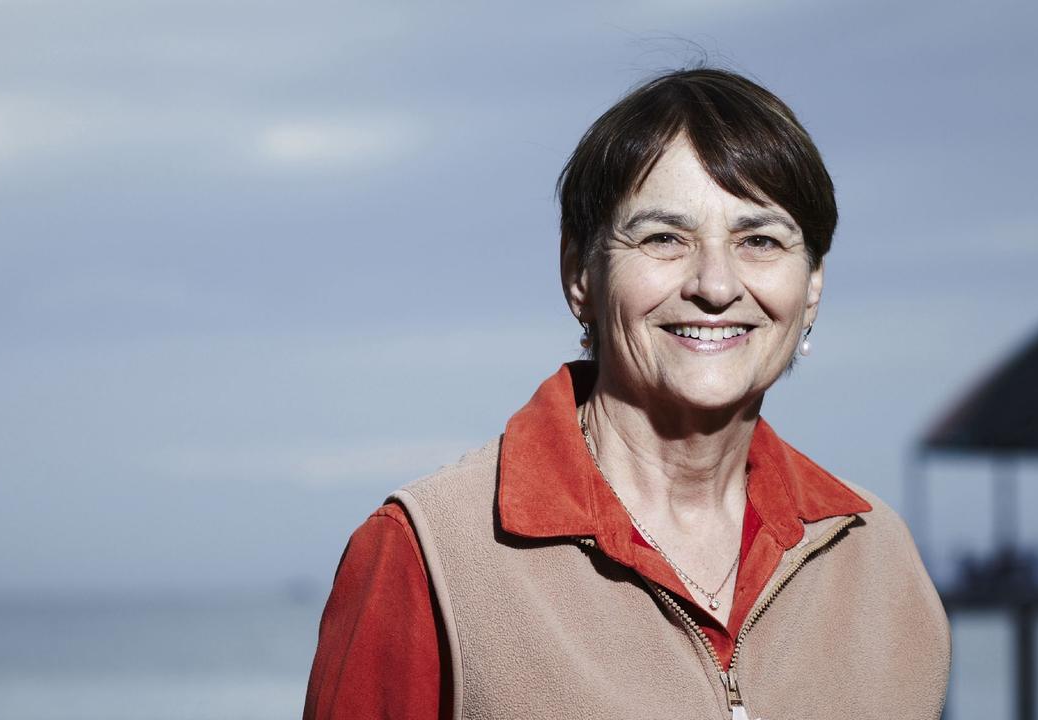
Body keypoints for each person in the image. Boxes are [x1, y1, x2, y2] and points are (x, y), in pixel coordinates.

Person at [304, 67, 950, 720]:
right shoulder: (429, 553)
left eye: (759, 240)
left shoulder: (877, 559)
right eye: (664, 238)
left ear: (811, 287)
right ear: (579, 273)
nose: (716, 285)